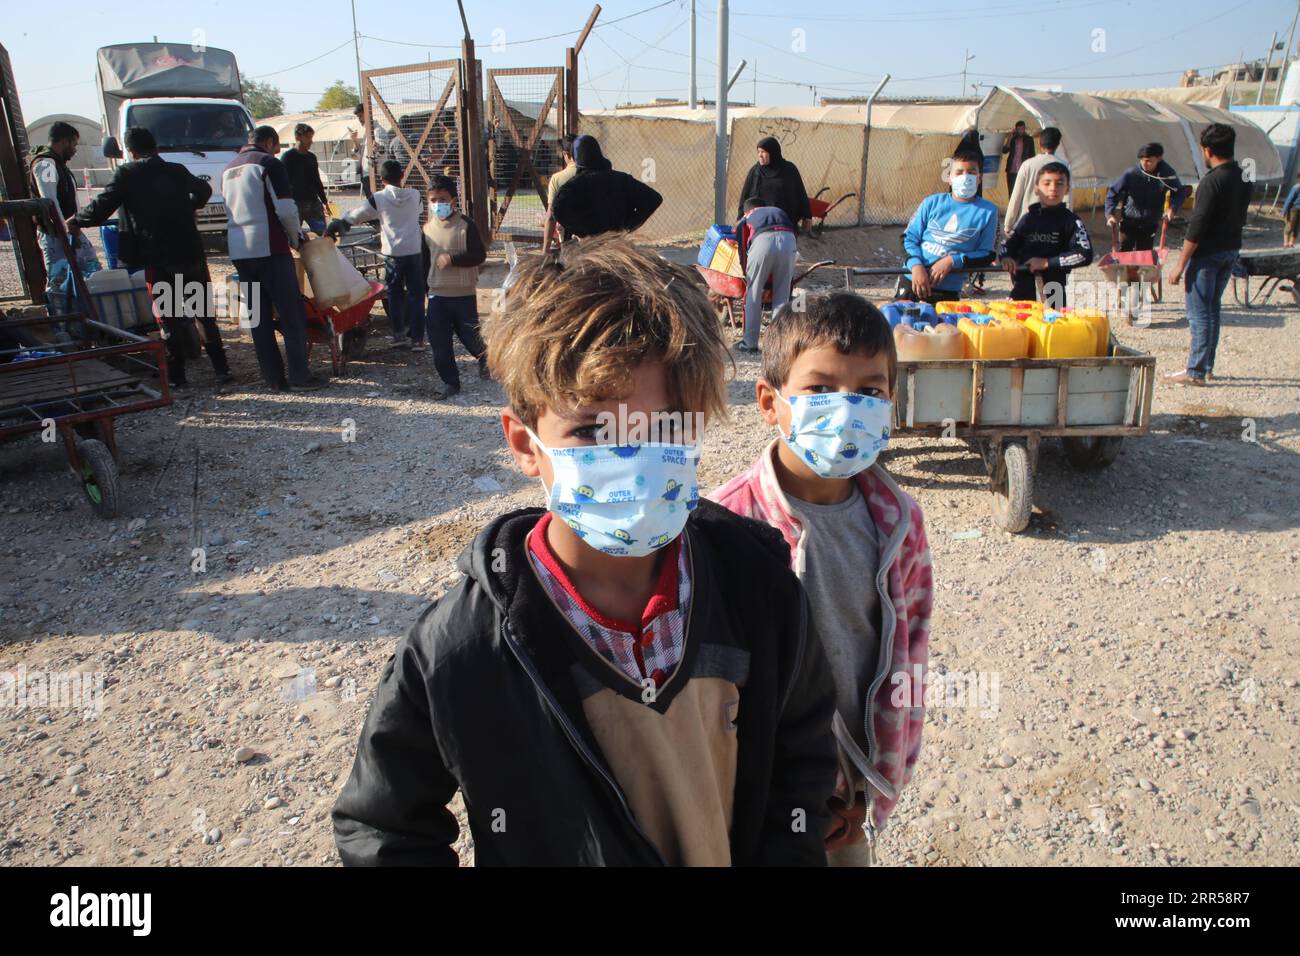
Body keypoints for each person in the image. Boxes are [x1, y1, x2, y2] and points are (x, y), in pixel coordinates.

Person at [332, 234, 837, 866]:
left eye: (665, 427)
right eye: (594, 429)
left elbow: (801, 748)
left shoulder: (757, 590)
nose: (632, 452)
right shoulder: (464, 646)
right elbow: (382, 825)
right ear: (524, 443)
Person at [710, 292, 932, 867]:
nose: (846, 407)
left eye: (869, 391)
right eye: (820, 389)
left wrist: (874, 788)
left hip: (855, 786)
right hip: (761, 794)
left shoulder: (899, 521)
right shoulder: (726, 524)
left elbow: (909, 655)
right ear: (770, 402)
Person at [71, 126, 232, 388]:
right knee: (202, 313)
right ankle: (222, 370)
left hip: (156, 257)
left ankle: (178, 377)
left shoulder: (127, 173)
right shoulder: (176, 170)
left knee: (168, 318)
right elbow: (203, 191)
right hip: (189, 252)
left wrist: (76, 220)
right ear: (156, 147)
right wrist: (187, 206)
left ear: (131, 151)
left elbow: (101, 207)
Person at [222, 125, 326, 391]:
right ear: (269, 142)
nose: (278, 151)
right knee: (291, 315)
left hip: (239, 249)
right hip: (269, 247)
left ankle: (273, 379)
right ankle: (300, 376)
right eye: (277, 146)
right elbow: (286, 209)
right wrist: (295, 237)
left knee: (259, 318)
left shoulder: (229, 168)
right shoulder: (268, 163)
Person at [1167, 124, 1251, 387]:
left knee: (1199, 313)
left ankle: (1195, 372)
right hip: (1230, 249)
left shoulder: (1212, 181)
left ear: (1207, 150)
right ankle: (1207, 365)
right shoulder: (1244, 177)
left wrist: (1180, 264)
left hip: (1208, 254)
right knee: (1213, 309)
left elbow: (1198, 225)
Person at [331, 159, 424, 350]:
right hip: (415, 251)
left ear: (382, 179)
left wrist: (342, 223)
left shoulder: (379, 198)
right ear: (401, 176)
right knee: (416, 295)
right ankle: (418, 339)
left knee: (395, 295)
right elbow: (419, 211)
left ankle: (398, 335)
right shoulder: (415, 195)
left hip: (393, 254)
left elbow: (357, 215)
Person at [902, 147, 999, 304]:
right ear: (950, 177)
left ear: (979, 178)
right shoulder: (931, 202)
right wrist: (916, 266)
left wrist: (953, 261)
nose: (965, 177)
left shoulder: (989, 211)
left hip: (947, 290)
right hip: (911, 281)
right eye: (959, 172)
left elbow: (987, 254)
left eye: (971, 172)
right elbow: (908, 238)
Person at [421, 174, 487, 399]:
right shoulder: (427, 229)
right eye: (433, 200)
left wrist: (453, 259)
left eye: (442, 199)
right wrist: (422, 291)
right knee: (440, 344)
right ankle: (450, 382)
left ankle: (486, 358)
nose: (437, 204)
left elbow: (479, 255)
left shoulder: (466, 225)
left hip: (463, 295)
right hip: (437, 295)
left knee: (471, 336)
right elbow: (423, 262)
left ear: (453, 200)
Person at [28, 121, 101, 316]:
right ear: (64, 141)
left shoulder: (57, 164)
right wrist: (64, 229)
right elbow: (50, 200)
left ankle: (87, 316)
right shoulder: (47, 164)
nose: (75, 150)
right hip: (56, 235)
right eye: (74, 144)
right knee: (59, 280)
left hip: (69, 231)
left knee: (91, 271)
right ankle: (62, 322)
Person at [999, 162, 1093, 307]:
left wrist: (1047, 263)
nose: (1053, 188)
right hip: (1023, 295)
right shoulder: (1027, 219)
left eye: (1059, 183)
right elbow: (1008, 245)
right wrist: (1006, 257)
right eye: (1047, 183)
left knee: (1054, 328)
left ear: (1067, 189)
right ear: (1036, 189)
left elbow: (1084, 254)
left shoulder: (1071, 221)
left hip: (1054, 294)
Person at [550, 135, 663, 240]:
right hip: (616, 244)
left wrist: (582, 233)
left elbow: (557, 208)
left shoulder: (575, 185)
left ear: (576, 157)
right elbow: (654, 198)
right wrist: (627, 227)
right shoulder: (622, 180)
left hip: (588, 249)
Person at [735, 196, 797, 354]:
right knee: (782, 295)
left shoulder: (746, 218)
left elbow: (743, 250)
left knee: (753, 293)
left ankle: (749, 343)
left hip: (763, 243)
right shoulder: (778, 211)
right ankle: (777, 345)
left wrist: (746, 274)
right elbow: (793, 232)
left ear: (747, 210)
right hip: (789, 241)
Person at [1104, 143, 1188, 253]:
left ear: (1159, 158)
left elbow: (1180, 192)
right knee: (1124, 255)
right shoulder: (1131, 174)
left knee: (1143, 256)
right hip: (1129, 222)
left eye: (1149, 161)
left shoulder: (1167, 175)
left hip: (1150, 224)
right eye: (1142, 160)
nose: (1144, 164)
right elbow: (1113, 192)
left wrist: (1172, 209)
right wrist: (1109, 214)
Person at [736, 136, 812, 232]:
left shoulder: (789, 169)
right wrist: (740, 217)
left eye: (763, 152)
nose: (760, 155)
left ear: (773, 153)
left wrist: (807, 216)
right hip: (760, 224)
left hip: (784, 223)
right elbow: (745, 196)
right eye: (758, 152)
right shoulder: (755, 171)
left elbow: (800, 193)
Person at [1004, 126, 1070, 234]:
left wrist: (1008, 225)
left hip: (1027, 223)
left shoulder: (1028, 164)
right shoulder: (1064, 167)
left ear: (1039, 143)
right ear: (1057, 145)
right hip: (1054, 226)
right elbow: (1068, 199)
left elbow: (1016, 196)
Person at [282, 123, 330, 235]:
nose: (310, 141)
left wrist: (324, 201)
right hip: (295, 203)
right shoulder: (288, 157)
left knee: (322, 234)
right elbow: (284, 182)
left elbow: (316, 180)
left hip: (313, 202)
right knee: (294, 235)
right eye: (308, 137)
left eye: (311, 137)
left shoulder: (311, 157)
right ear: (298, 137)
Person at [540, 133, 577, 253]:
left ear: (565, 154)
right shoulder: (596, 174)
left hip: (569, 238)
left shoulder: (557, 178)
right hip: (597, 239)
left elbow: (551, 216)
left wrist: (545, 250)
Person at [1001, 120, 1035, 197]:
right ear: (1016, 129)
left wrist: (1030, 168)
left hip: (1023, 168)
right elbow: (1004, 151)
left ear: (1024, 128)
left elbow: (1032, 154)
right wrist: (1009, 139)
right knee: (1011, 190)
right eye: (1019, 129)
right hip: (1011, 169)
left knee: (1022, 191)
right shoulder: (1013, 139)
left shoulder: (1029, 139)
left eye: (1022, 129)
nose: (1021, 131)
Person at [1284, 172, 1300, 248]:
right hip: (1294, 209)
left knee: (1297, 227)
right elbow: (1289, 199)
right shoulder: (1296, 187)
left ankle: (1291, 243)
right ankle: (1286, 243)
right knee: (1290, 225)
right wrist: (1285, 210)